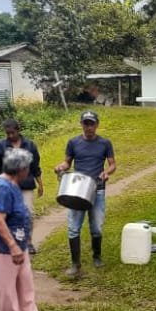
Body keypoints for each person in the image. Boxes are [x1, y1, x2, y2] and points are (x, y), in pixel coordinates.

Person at [0, 147, 50, 311]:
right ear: (20, 169)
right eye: (27, 168)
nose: (29, 171)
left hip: (20, 242)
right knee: (7, 286)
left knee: (25, 281)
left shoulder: (13, 184)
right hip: (6, 246)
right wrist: (13, 246)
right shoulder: (2, 187)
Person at [53, 110, 116, 277]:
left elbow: (112, 164)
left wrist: (107, 172)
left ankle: (97, 257)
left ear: (97, 125)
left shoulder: (105, 143)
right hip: (77, 189)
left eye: (91, 124)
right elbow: (67, 163)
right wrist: (60, 167)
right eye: (86, 123)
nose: (89, 127)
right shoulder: (73, 142)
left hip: (97, 189)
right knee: (74, 228)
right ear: (81, 124)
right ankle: (75, 264)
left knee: (97, 227)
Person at [0, 119, 44, 253]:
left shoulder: (30, 145)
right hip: (7, 187)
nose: (10, 136)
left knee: (28, 213)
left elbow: (35, 166)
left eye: (12, 133)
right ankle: (11, 241)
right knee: (7, 215)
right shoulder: (1, 147)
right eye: (7, 133)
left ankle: (28, 242)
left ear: (18, 130)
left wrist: (40, 183)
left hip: (26, 185)